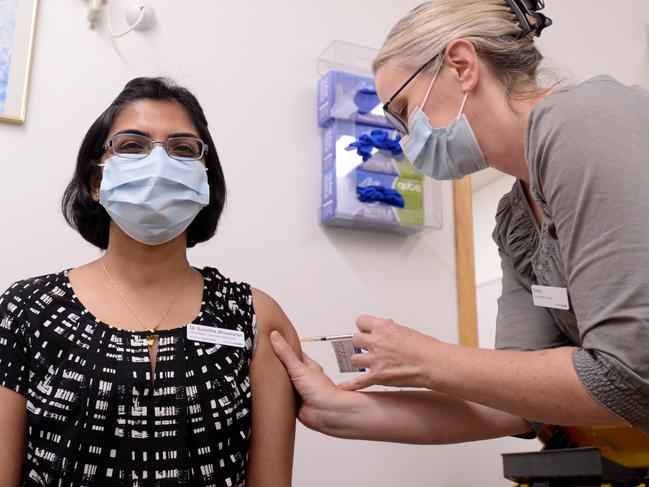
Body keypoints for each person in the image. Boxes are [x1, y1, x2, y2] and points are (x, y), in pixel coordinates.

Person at [270, 0, 649, 455]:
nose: (404, 135)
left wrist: (422, 358)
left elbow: (629, 374)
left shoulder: (582, 122)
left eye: (403, 109)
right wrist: (336, 408)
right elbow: (520, 405)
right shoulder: (515, 221)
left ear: (462, 65)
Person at [0, 77, 300, 486]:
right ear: (95, 182)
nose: (159, 163)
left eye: (182, 149)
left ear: (204, 182)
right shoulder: (26, 310)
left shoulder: (255, 318)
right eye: (132, 146)